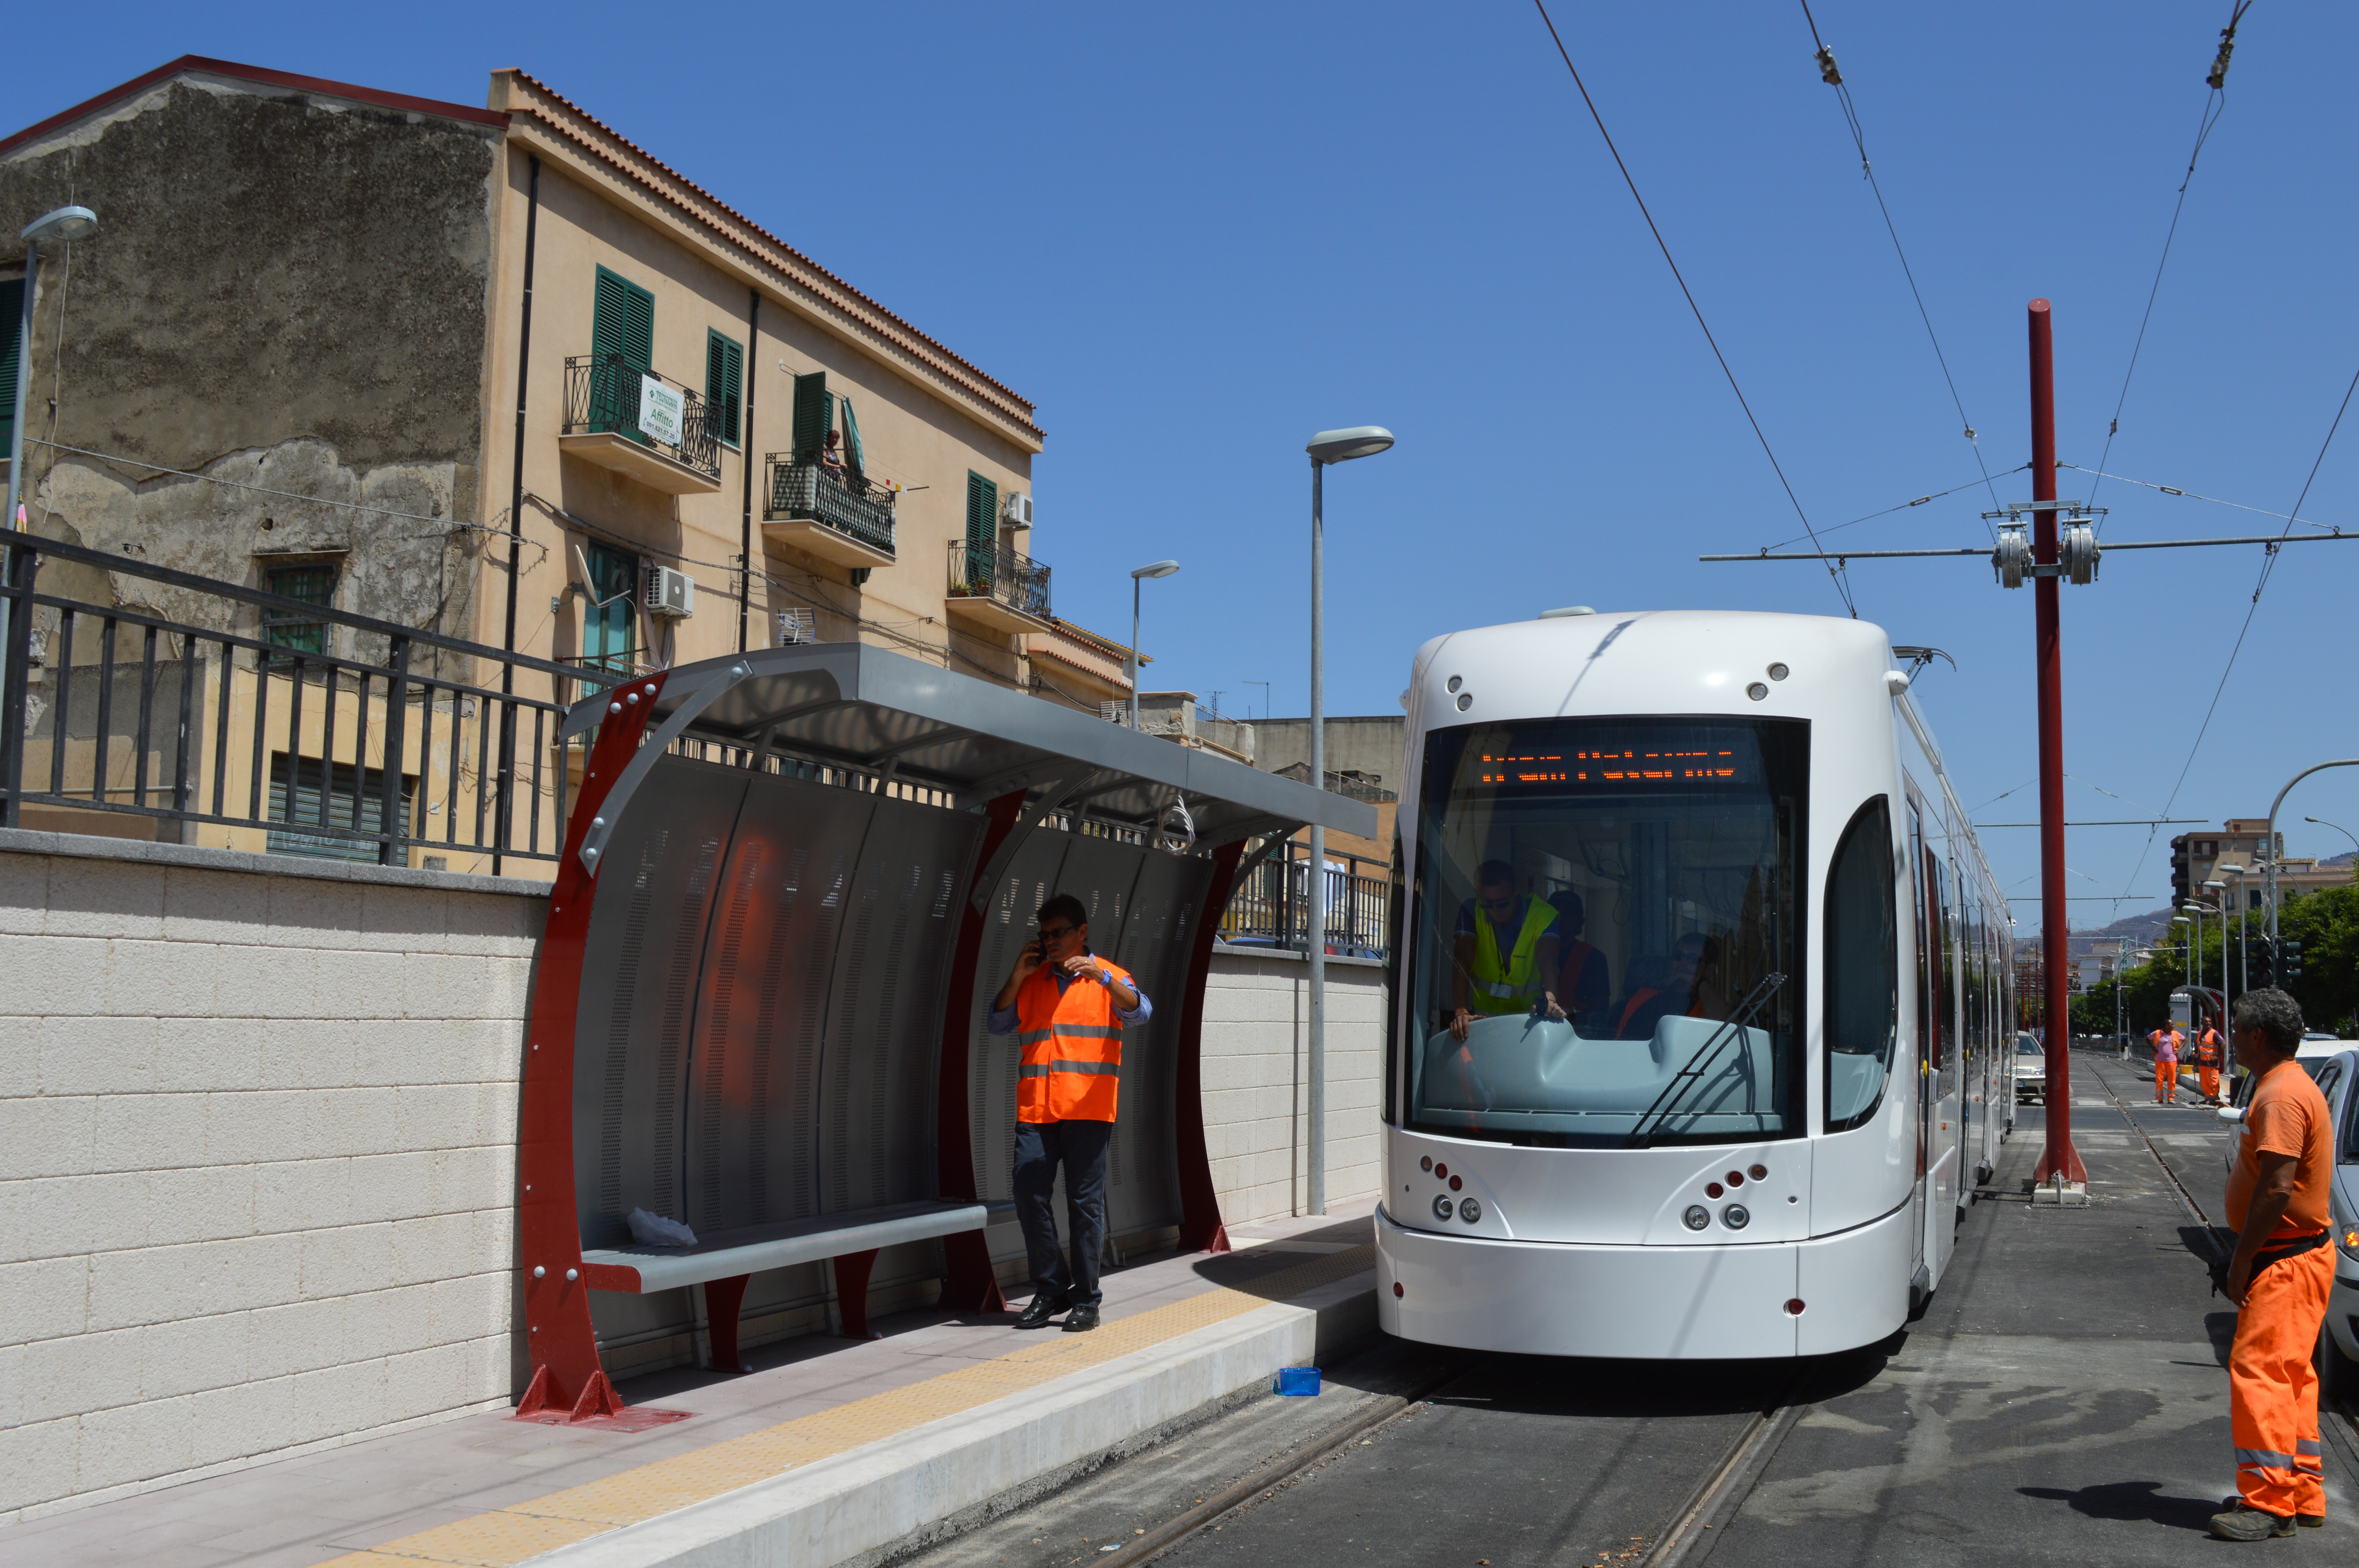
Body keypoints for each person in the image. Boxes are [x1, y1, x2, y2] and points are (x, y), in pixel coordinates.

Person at [988, 893, 1150, 1334]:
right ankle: (1050, 1288)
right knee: (1029, 1195)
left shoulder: (1109, 977)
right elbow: (998, 1022)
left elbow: (1140, 1012)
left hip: (1088, 1109)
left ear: (1082, 933)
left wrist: (1101, 978)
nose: (1050, 941)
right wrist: (1017, 975)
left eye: (1058, 933)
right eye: (1045, 935)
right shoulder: (1034, 979)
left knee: (1085, 1206)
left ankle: (1086, 1299)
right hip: (1037, 1108)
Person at [2208, 987, 2335, 1541]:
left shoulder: (2280, 1095)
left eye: (2237, 1030)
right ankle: (2301, 1490)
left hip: (2283, 1260)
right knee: (2293, 1378)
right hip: (2301, 1257)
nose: (2232, 1037)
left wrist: (2241, 1261)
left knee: (2261, 1374)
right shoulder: (2289, 1085)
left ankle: (2266, 1502)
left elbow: (2276, 1189)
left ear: (2258, 1036)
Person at [1448, 861, 1562, 1041]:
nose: (1495, 911)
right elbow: (1462, 960)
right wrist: (1461, 1013)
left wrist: (1550, 999)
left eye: (1502, 903)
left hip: (1529, 1027)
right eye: (1488, 904)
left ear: (1516, 889)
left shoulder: (1543, 914)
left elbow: (1548, 960)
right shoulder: (1472, 910)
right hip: (1482, 1026)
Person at [1616, 931, 1705, 1040]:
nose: (1683, 963)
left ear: (1709, 969)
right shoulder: (1645, 998)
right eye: (1679, 956)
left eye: (1693, 959)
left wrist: (1700, 984)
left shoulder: (1709, 1003)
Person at [1552, 891, 1612, 1030]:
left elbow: (1599, 1012)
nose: (1560, 919)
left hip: (1577, 1035)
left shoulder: (1593, 958)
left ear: (1578, 920)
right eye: (1555, 913)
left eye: (1567, 914)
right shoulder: (1532, 951)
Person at [2148, 1022, 2181, 1104]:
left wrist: (2179, 1049)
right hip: (2160, 1060)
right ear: (2167, 1025)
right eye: (2172, 1024)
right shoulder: (2157, 1033)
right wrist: (2153, 1049)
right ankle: (2159, 1098)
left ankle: (2171, 1098)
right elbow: (2147, 1039)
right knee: (2159, 1079)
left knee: (2172, 1079)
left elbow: (2185, 1040)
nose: (2174, 1026)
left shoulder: (2175, 1034)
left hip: (2172, 1060)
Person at [2194, 1020, 2224, 1103]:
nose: (2208, 1023)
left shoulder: (2214, 1033)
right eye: (2206, 1022)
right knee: (2204, 1082)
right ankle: (2207, 1097)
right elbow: (2198, 1046)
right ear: (2202, 1023)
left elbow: (2223, 1044)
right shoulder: (2199, 1033)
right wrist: (2195, 1052)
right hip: (2202, 1062)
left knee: (2213, 1081)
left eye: (2210, 1022)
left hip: (2211, 1063)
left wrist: (2217, 1056)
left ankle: (2214, 1098)